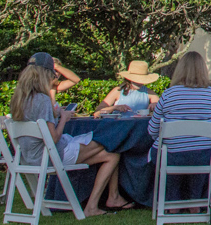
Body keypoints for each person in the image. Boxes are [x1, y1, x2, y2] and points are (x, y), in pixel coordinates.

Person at [10, 64, 128, 215]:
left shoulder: (20, 100)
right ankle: (96, 204)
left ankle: (93, 206)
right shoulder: (43, 100)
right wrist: (64, 118)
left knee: (112, 155)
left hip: (32, 158)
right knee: (110, 140)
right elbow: (53, 138)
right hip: (54, 156)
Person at [147, 51, 211, 201]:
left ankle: (171, 201)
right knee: (204, 151)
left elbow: (152, 130)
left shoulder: (168, 95)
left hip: (173, 156)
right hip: (206, 155)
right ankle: (195, 200)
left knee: (167, 151)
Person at [93, 61, 160, 117]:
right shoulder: (118, 91)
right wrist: (115, 108)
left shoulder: (148, 92)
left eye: (142, 80)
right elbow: (97, 113)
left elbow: (161, 107)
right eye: (136, 79)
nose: (139, 82)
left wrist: (155, 105)